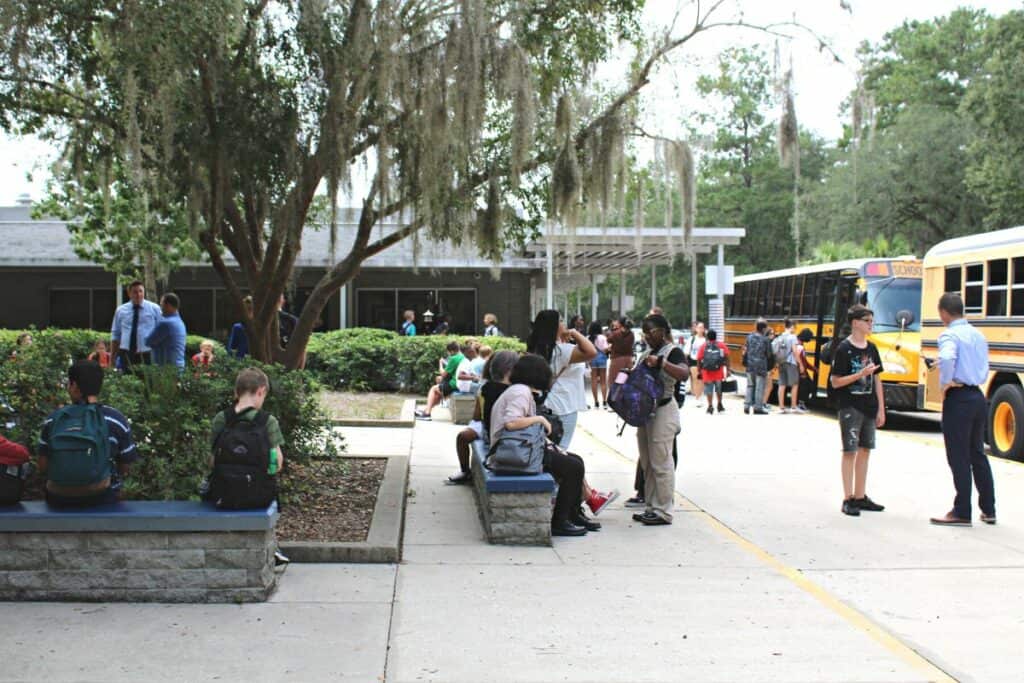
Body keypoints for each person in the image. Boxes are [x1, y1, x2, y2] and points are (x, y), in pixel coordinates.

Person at [490, 354, 592, 536]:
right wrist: (540, 419)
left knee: (576, 461)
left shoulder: (519, 390)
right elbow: (511, 423)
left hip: (521, 448)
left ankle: (572, 514)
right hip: (514, 453)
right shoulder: (520, 392)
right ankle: (560, 521)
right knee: (573, 467)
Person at [527, 310, 616, 515]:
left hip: (549, 404)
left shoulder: (538, 350)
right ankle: (570, 502)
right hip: (564, 407)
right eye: (561, 321)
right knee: (562, 455)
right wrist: (575, 333)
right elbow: (592, 352)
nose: (564, 323)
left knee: (559, 453)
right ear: (554, 327)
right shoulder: (563, 350)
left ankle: (589, 496)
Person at [206, 367, 289, 565]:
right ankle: (273, 548)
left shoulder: (221, 419)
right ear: (261, 391)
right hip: (257, 496)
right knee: (273, 497)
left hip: (223, 494)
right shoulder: (267, 421)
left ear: (237, 392)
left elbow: (209, 460)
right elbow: (277, 463)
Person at [930, 293, 995, 527]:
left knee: (958, 455)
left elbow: (947, 357)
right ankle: (989, 509)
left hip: (959, 398)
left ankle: (961, 510)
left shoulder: (949, 334)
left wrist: (945, 382)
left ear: (944, 313)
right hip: (977, 395)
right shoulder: (978, 335)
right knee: (977, 453)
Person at [37, 360, 139, 507]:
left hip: (58, 498)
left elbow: (42, 465)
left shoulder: (54, 419)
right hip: (101, 497)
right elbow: (125, 466)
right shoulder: (115, 419)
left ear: (74, 386)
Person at [830, 304, 886, 517]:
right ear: (855, 323)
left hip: (869, 406)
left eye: (872, 320)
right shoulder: (844, 349)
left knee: (865, 450)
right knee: (849, 451)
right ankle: (848, 497)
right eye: (867, 321)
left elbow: (878, 379)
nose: (871, 324)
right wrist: (859, 374)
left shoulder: (872, 349)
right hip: (850, 406)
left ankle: (861, 495)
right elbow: (835, 382)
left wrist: (881, 407)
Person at [632, 314, 687, 526]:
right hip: (646, 412)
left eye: (651, 332)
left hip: (664, 410)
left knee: (662, 462)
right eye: (644, 333)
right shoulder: (646, 352)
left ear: (663, 331)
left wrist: (662, 363)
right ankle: (651, 506)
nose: (647, 337)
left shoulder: (672, 351)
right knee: (647, 463)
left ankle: (663, 510)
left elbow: (683, 374)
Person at [447, 350, 518, 485]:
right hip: (497, 428)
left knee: (462, 437)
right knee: (464, 436)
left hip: (493, 428)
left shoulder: (485, 388)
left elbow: (477, 416)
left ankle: (464, 470)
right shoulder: (517, 389)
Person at [110, 280, 162, 371]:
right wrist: (112, 358)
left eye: (140, 291)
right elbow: (116, 335)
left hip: (147, 354)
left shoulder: (154, 309)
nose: (138, 295)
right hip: (126, 354)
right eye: (135, 292)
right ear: (129, 293)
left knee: (148, 383)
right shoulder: (121, 310)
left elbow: (162, 332)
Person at [415, 340, 464, 420]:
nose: (448, 354)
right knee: (438, 394)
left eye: (448, 352)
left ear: (451, 351)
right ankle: (427, 411)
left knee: (433, 389)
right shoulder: (462, 356)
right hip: (458, 383)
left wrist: (440, 363)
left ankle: (427, 413)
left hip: (453, 384)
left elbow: (443, 374)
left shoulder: (454, 358)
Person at [145, 292, 187, 369]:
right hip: (178, 365)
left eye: (161, 305)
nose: (160, 309)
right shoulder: (180, 322)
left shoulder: (165, 323)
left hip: (166, 370)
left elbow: (148, 341)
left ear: (168, 306)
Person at [697, 328, 729, 414]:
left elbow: (699, 359)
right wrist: (728, 370)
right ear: (716, 337)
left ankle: (710, 406)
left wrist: (699, 371)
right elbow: (726, 358)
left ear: (707, 337)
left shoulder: (703, 346)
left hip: (706, 372)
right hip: (718, 371)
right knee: (719, 389)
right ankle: (719, 404)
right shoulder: (721, 345)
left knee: (708, 389)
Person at [605, 316, 635, 407]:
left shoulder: (616, 333)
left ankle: (614, 402)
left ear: (620, 323)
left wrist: (613, 329)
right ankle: (626, 401)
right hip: (628, 359)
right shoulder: (632, 334)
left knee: (613, 381)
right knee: (626, 380)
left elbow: (608, 339)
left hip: (617, 359)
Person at [743, 320, 771, 415]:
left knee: (750, 386)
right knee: (759, 387)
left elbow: (745, 350)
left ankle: (746, 406)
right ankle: (757, 407)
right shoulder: (766, 340)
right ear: (763, 328)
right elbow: (769, 354)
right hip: (760, 366)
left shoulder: (749, 337)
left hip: (750, 365)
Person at [775, 318, 800, 413]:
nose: (795, 329)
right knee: (795, 384)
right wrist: (800, 363)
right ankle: (793, 407)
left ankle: (781, 407)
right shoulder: (793, 337)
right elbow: (795, 351)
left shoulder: (780, 336)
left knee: (782, 384)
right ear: (792, 326)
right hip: (791, 362)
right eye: (795, 327)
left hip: (781, 362)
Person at [587, 321, 609, 409]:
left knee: (594, 381)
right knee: (603, 381)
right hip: (602, 359)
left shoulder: (588, 338)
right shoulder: (602, 337)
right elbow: (605, 349)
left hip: (592, 358)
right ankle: (604, 402)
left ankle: (596, 403)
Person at [793, 328, 815, 412]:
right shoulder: (799, 346)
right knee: (805, 385)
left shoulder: (798, 344)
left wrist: (812, 368)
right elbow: (800, 359)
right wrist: (802, 369)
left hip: (799, 369)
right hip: (799, 370)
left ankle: (800, 403)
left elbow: (804, 360)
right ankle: (800, 404)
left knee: (805, 385)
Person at [686, 321, 707, 406]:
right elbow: (686, 351)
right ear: (696, 329)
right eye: (699, 327)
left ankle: (700, 395)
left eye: (702, 327)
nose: (700, 329)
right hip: (693, 360)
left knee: (701, 379)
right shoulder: (692, 339)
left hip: (703, 361)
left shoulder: (706, 340)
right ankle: (697, 397)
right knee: (695, 379)